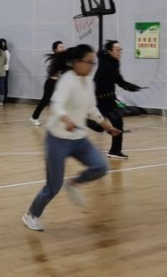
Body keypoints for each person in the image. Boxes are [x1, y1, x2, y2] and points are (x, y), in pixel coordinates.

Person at [22, 44, 121, 232]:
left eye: (93, 63)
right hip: (57, 140)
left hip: (79, 139)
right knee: (53, 186)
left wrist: (106, 125)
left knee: (100, 167)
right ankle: (31, 215)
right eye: (88, 62)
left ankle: (75, 183)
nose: (91, 66)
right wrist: (65, 118)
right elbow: (57, 104)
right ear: (76, 62)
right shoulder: (67, 80)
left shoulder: (89, 83)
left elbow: (91, 108)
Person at [89, 40, 144, 160]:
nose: (120, 52)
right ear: (110, 51)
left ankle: (115, 151)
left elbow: (119, 81)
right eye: (117, 49)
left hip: (110, 101)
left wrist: (133, 87)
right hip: (99, 101)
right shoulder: (106, 64)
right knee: (99, 127)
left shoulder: (115, 63)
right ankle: (84, 119)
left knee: (118, 123)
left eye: (120, 49)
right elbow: (97, 81)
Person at [32, 41, 66, 126]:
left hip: (59, 83)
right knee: (45, 100)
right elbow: (54, 71)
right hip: (51, 82)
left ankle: (63, 119)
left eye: (63, 47)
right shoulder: (55, 59)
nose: (63, 48)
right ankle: (34, 117)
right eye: (60, 47)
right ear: (55, 49)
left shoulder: (62, 58)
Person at [0, 38, 11, 102]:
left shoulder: (6, 52)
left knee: (4, 84)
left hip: (4, 70)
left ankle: (4, 98)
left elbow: (5, 62)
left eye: (3, 43)